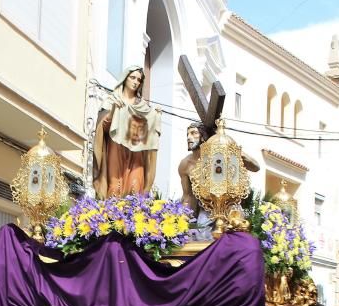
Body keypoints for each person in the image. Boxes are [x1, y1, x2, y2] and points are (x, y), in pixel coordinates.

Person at [178, 121, 260, 240]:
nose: (189, 137)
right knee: (202, 236)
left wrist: (238, 154)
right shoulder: (185, 165)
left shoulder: (219, 151)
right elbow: (188, 196)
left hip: (229, 205)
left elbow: (256, 167)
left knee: (235, 236)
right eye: (187, 134)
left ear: (202, 137)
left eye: (193, 133)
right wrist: (182, 220)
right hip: (206, 208)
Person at [92, 66, 162, 199]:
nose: (136, 82)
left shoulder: (143, 108)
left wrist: (154, 117)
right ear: (125, 78)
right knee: (114, 187)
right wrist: (113, 111)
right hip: (115, 148)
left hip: (136, 153)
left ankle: (134, 219)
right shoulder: (111, 100)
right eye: (133, 77)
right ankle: (110, 218)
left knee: (135, 188)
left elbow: (148, 135)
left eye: (139, 80)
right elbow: (103, 130)